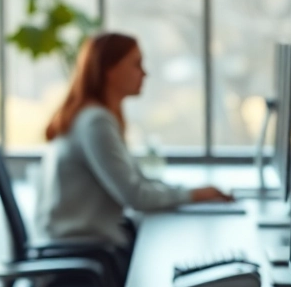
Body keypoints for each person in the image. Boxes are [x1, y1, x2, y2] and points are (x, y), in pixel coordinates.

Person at [35, 32, 232, 253]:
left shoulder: (95, 116)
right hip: (84, 250)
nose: (144, 73)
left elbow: (138, 180)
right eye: (136, 64)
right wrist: (194, 195)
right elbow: (135, 196)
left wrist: (193, 192)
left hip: (87, 246)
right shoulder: (95, 122)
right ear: (110, 70)